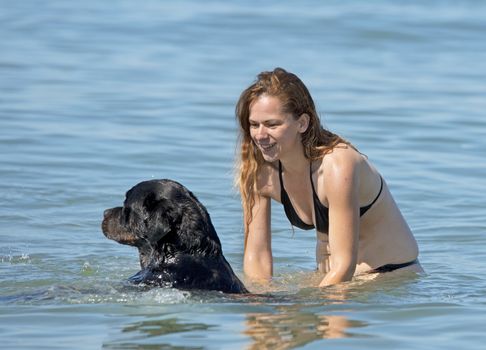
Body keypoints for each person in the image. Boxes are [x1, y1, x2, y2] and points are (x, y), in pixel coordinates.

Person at [235, 67, 423, 287]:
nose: (260, 135)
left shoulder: (338, 165)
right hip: (332, 280)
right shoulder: (260, 170)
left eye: (272, 124)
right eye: (254, 124)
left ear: (302, 123)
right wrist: (260, 301)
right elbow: (256, 256)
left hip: (388, 280)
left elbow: (345, 264)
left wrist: (315, 302)